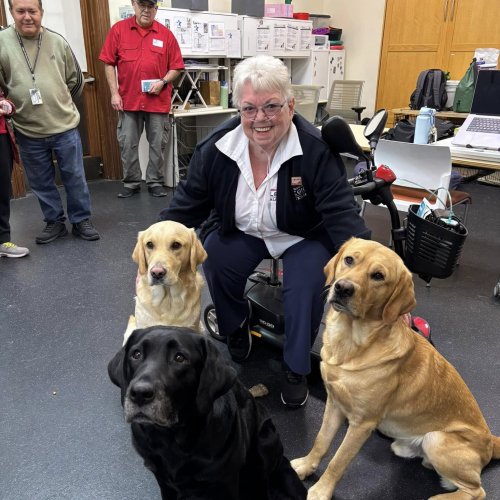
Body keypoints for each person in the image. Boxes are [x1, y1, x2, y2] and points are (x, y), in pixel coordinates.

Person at [159, 55, 371, 408]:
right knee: (215, 260)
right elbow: (185, 206)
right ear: (238, 109)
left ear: (290, 105)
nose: (260, 118)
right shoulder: (216, 149)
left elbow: (343, 219)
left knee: (305, 286)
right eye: (249, 108)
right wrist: (154, 253)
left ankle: (295, 367)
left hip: (303, 235)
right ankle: (235, 325)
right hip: (243, 230)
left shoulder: (315, 150)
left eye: (271, 106)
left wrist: (378, 275)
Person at [0, 0, 99, 244]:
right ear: (11, 12)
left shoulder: (58, 41)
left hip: (64, 125)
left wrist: (59, 104)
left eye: (32, 11)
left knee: (75, 177)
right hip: (27, 128)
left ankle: (80, 220)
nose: (27, 17)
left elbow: (76, 81)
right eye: (20, 11)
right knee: (40, 181)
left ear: (41, 12)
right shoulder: (2, 41)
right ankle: (54, 221)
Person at [99, 0, 184, 199]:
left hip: (158, 101)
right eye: (142, 5)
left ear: (156, 8)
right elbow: (109, 64)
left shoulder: (166, 35)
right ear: (134, 4)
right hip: (128, 101)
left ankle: (154, 181)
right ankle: (131, 182)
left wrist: (163, 81)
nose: (146, 10)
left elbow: (177, 67)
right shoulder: (118, 30)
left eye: (150, 6)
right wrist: (114, 93)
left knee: (157, 144)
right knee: (127, 143)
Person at [0, 88, 29, 258]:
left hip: (2, 136)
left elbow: (5, 99)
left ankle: (3, 240)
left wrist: (7, 106)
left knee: (3, 190)